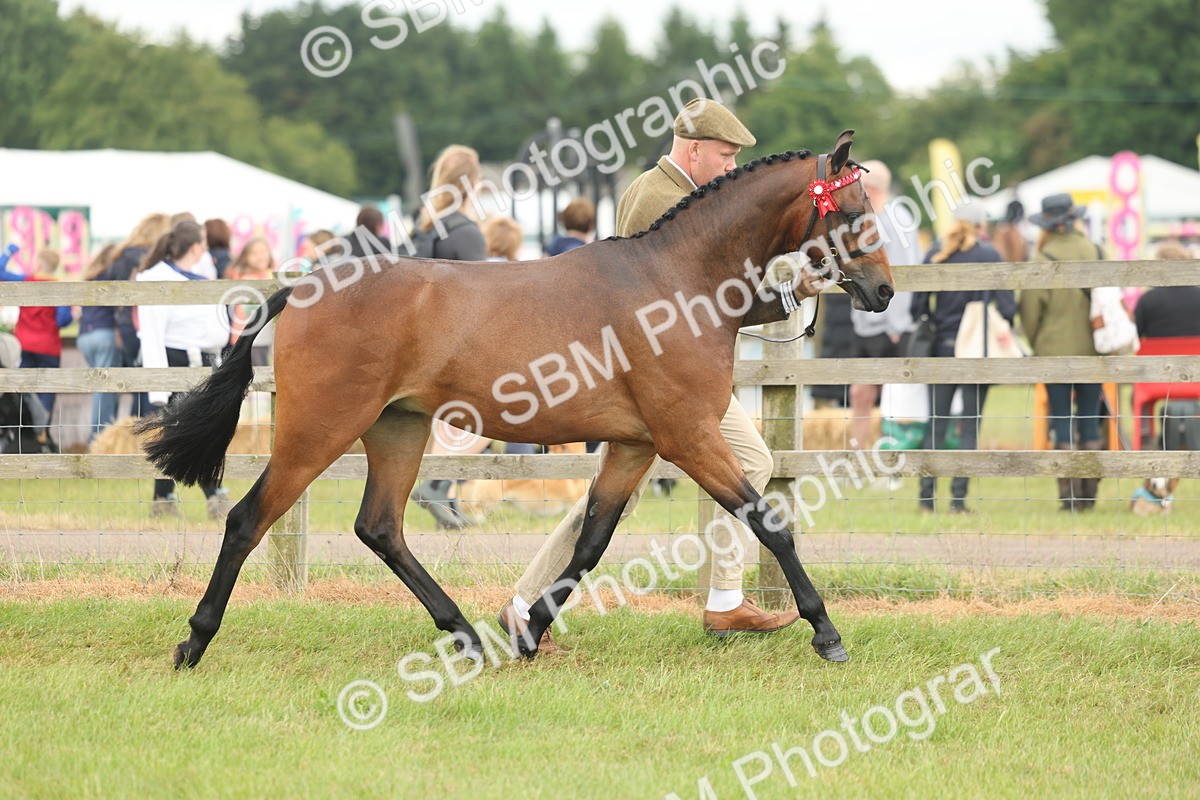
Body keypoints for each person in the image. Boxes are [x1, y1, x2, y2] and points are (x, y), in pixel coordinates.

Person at [498, 98, 831, 647]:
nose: (730, 167)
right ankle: (526, 604)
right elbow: (688, 309)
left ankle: (724, 599)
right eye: (724, 156)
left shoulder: (677, 194)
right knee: (621, 496)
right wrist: (788, 294)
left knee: (741, 463)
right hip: (654, 382)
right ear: (694, 149)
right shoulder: (660, 199)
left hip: (659, 377)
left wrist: (790, 292)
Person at [911, 209, 1016, 513]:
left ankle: (925, 499)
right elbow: (1008, 307)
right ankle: (958, 500)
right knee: (969, 425)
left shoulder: (936, 252)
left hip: (942, 346)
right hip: (976, 349)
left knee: (936, 424)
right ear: (981, 225)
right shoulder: (990, 255)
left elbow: (917, 306)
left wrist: (935, 320)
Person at [409, 145, 489, 527]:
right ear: (472, 183)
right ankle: (438, 484)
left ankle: (447, 497)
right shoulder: (467, 233)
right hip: (460, 344)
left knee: (454, 421)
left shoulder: (422, 226)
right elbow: (481, 302)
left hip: (422, 344)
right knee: (501, 410)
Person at [135, 221, 233, 519]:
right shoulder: (156, 278)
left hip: (204, 362)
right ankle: (208, 496)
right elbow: (151, 334)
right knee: (184, 432)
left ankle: (165, 499)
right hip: (177, 361)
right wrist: (159, 388)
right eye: (202, 242)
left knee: (191, 432)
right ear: (194, 246)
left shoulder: (201, 273)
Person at [1019, 193, 1103, 511]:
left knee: (1060, 418)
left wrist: (1037, 340)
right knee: (1091, 420)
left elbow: (1029, 311)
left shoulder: (1041, 260)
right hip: (1093, 348)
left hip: (1053, 349)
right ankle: (1089, 495)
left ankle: (1068, 496)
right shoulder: (1095, 251)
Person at [847, 160, 924, 450]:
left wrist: (896, 325)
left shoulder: (897, 219)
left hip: (891, 325)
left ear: (872, 189)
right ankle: (857, 454)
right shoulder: (869, 218)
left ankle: (887, 457)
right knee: (860, 394)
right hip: (869, 324)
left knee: (894, 397)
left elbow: (903, 273)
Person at [110, 212, 172, 417]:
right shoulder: (151, 259)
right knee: (151, 383)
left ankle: (134, 436)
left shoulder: (120, 256)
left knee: (137, 385)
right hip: (143, 324)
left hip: (125, 325)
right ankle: (148, 434)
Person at [0, 249, 74, 419]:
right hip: (49, 347)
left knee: (24, 389)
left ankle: (26, 431)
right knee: (47, 391)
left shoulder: (26, 280)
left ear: (39, 263)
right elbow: (62, 320)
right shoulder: (60, 287)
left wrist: (9, 250)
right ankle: (43, 435)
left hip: (25, 344)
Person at [77, 244, 122, 439]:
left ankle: (105, 433)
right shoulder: (113, 274)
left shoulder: (90, 275)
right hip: (106, 334)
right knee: (105, 388)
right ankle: (98, 438)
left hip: (85, 336)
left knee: (103, 386)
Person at [227, 237, 277, 367]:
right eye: (254, 253)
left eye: (263, 252)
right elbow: (242, 310)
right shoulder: (242, 278)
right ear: (246, 257)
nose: (260, 257)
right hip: (250, 338)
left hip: (272, 337)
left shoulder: (274, 276)